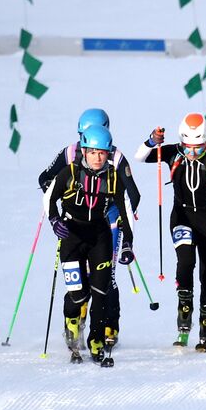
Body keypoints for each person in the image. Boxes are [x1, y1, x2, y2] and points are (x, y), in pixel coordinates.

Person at [135, 113, 206, 351]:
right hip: (182, 216)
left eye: (198, 149)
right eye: (188, 148)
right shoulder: (174, 152)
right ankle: (184, 315)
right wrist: (153, 140)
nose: (192, 153)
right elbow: (140, 157)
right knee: (185, 261)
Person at [46, 124, 136, 366]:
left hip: (100, 235)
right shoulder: (70, 174)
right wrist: (55, 221)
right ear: (84, 151)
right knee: (78, 294)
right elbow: (49, 198)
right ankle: (71, 323)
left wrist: (127, 242)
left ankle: (96, 340)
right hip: (72, 236)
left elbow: (125, 211)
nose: (98, 158)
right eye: (93, 152)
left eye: (103, 153)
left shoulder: (113, 177)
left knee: (101, 291)